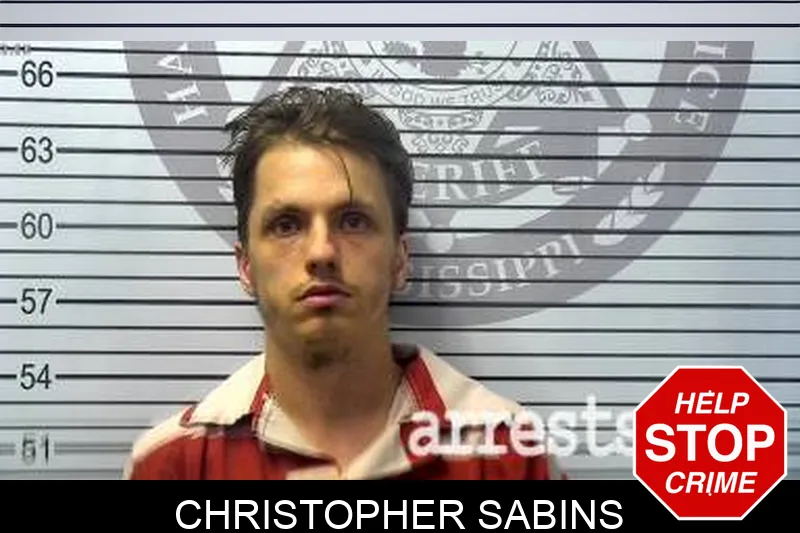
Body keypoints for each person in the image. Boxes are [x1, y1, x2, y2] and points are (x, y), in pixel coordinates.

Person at [123, 86, 566, 480]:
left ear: (399, 259)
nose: (321, 252)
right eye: (286, 225)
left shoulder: (511, 458)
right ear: (246, 267)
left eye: (353, 221)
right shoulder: (171, 466)